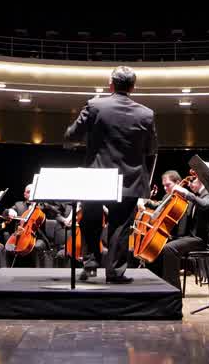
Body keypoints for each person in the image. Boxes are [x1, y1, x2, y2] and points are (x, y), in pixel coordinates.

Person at [64, 65, 157, 283]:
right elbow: (152, 149)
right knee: (121, 225)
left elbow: (71, 135)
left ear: (111, 84)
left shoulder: (95, 105)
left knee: (90, 220)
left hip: (97, 174)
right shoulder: (146, 113)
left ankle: (90, 266)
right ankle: (115, 272)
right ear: (133, 87)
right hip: (130, 177)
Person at [150, 172, 209, 288]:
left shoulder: (207, 195)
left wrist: (187, 194)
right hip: (190, 237)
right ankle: (159, 284)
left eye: (192, 181)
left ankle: (173, 288)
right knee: (158, 245)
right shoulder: (196, 195)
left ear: (200, 180)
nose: (189, 184)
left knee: (170, 248)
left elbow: (205, 205)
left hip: (201, 240)